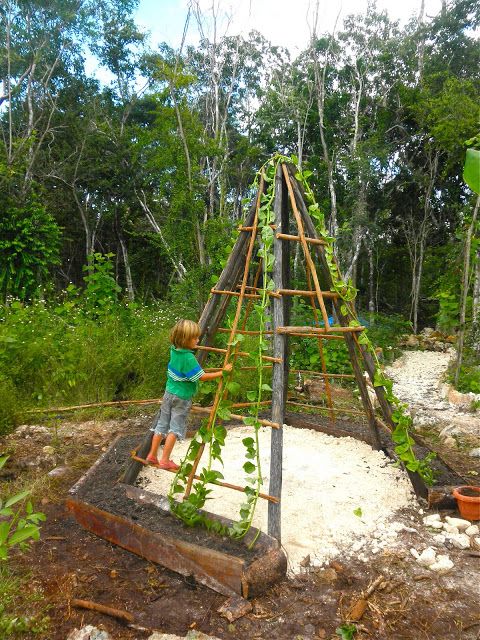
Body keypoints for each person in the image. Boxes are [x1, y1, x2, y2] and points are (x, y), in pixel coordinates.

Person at [146, 319, 232, 470]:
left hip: (169, 393)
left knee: (162, 424)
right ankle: (165, 460)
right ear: (185, 339)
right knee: (175, 428)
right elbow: (201, 376)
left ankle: (152, 455)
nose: (198, 340)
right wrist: (222, 372)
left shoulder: (174, 349)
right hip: (182, 397)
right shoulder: (188, 358)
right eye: (195, 338)